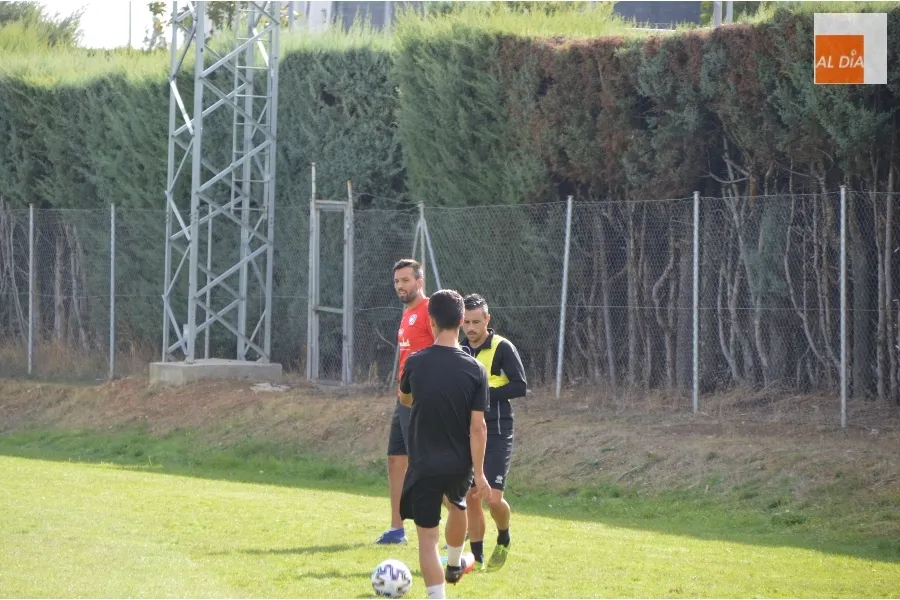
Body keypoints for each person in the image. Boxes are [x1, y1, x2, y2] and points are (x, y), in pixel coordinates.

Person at [398, 289, 492, 599]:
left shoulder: (415, 362)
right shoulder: (475, 369)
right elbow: (478, 426)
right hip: (459, 462)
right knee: (458, 503)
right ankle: (454, 563)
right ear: (462, 320)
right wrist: (479, 473)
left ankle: (437, 596)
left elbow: (406, 399)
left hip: (424, 461)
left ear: (431, 320)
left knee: (427, 539)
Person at [459, 293, 527, 572]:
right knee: (472, 496)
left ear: (488, 320)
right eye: (466, 322)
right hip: (469, 432)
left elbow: (520, 386)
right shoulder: (459, 350)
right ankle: (477, 557)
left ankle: (504, 535)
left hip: (498, 431)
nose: (471, 328)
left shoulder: (502, 347)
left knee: (493, 498)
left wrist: (484, 397)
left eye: (477, 321)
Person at [375, 258, 436, 545]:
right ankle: (397, 528)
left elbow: (443, 351)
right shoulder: (406, 313)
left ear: (419, 282)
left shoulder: (428, 311)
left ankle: (459, 529)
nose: (401, 285)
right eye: (397, 281)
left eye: (406, 280)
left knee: (425, 465)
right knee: (395, 458)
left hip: (423, 399)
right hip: (404, 398)